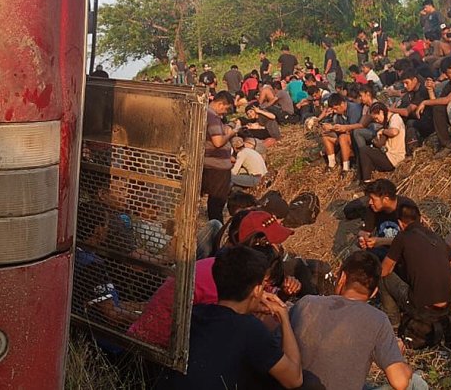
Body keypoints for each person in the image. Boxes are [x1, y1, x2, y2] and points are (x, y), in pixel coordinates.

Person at [154, 245, 304, 390]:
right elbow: (294, 380)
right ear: (257, 289)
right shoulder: (251, 330)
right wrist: (284, 318)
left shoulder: (194, 314)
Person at [290, 252, 421, 390]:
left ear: (342, 277)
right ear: (375, 291)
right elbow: (400, 382)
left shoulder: (306, 303)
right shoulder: (378, 320)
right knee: (417, 384)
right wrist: (399, 359)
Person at [380, 202, 451, 345]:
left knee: (383, 277)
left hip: (423, 308)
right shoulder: (435, 237)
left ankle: (393, 326)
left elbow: (385, 271)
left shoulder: (402, 237)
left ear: (400, 223)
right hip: (446, 307)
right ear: (420, 218)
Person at [415, 58, 451, 150]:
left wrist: (425, 102)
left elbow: (448, 99)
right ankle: (447, 143)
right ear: (445, 75)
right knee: (438, 109)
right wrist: (430, 90)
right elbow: (437, 103)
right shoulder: (449, 85)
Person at [203, 91, 236, 222]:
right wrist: (230, 134)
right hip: (218, 168)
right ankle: (216, 232)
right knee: (216, 203)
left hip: (211, 164)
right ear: (221, 104)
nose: (225, 113)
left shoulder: (207, 114)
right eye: (226, 109)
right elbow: (217, 142)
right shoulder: (212, 117)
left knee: (214, 204)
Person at [356, 103, 407, 184]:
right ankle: (358, 180)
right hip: (387, 154)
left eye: (376, 118)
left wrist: (383, 131)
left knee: (364, 150)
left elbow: (394, 132)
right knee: (363, 152)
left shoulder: (395, 118)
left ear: (381, 112)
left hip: (394, 158)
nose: (377, 121)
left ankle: (366, 182)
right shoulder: (386, 121)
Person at [319, 93, 355, 172]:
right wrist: (330, 129)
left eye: (336, 108)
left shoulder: (353, 109)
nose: (334, 111)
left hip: (353, 138)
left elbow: (354, 130)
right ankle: (332, 164)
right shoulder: (338, 115)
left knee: (342, 137)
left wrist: (332, 128)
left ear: (342, 104)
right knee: (326, 136)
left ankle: (346, 168)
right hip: (345, 137)